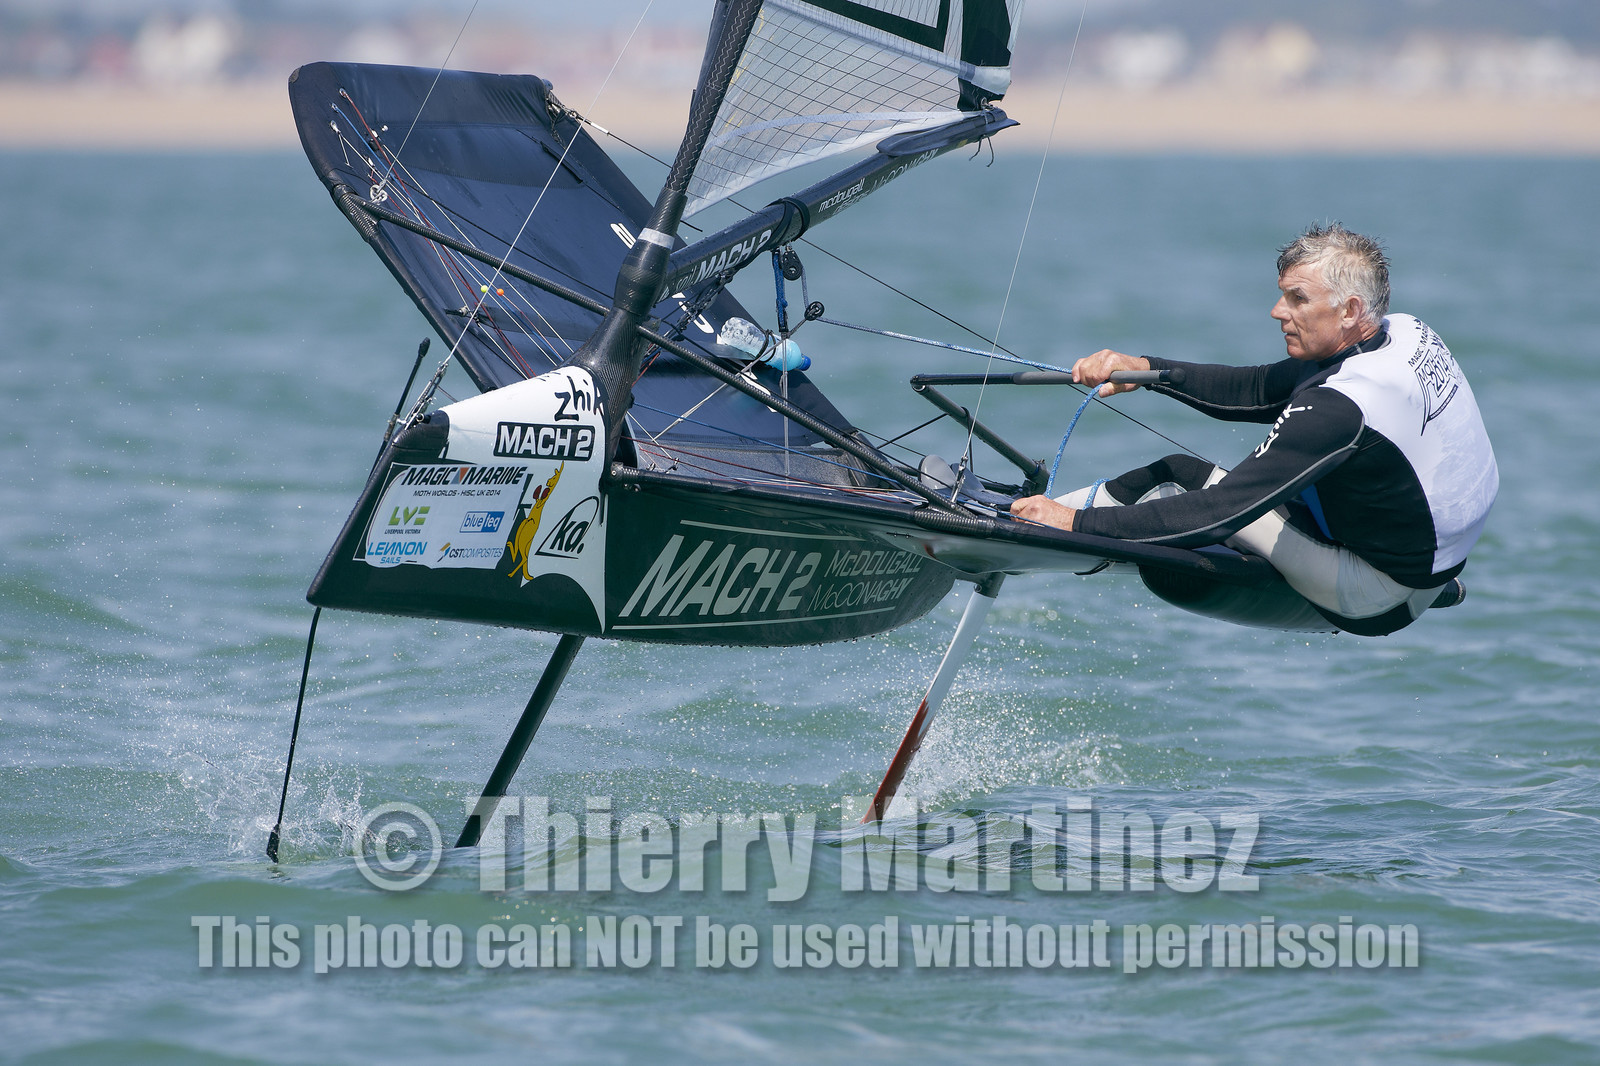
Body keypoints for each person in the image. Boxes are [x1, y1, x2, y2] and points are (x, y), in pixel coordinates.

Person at [1010, 223, 1498, 636]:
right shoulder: (1404, 331)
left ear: (1350, 310)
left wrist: (1076, 524)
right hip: (1429, 563)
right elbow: (1258, 388)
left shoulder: (1342, 407)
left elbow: (1218, 514)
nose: (1277, 311)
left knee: (1176, 478)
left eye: (1297, 299)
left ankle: (1024, 525)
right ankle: (1049, 518)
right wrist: (1146, 369)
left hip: (1377, 594)